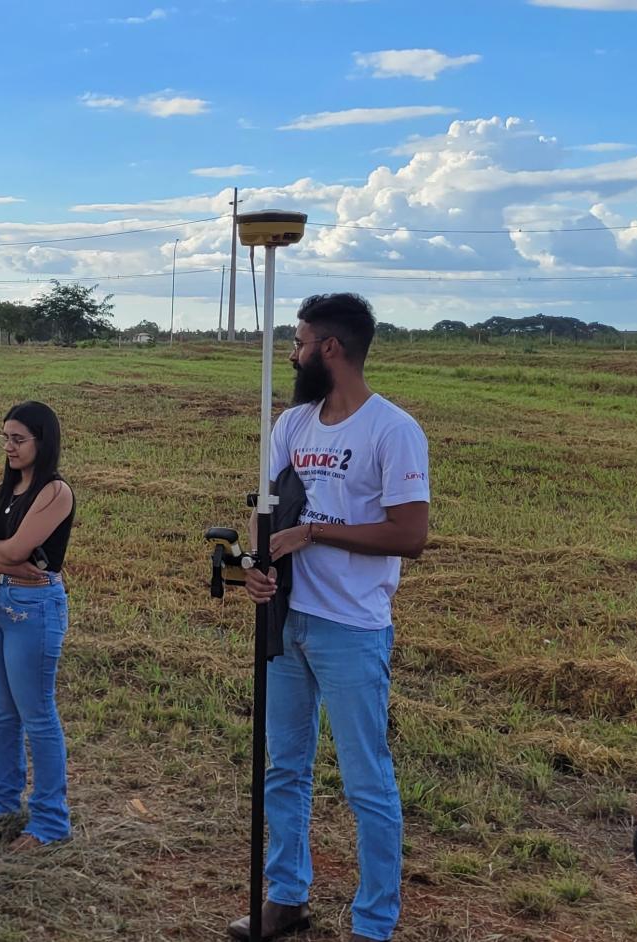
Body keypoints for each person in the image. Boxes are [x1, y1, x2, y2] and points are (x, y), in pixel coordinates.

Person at [231, 293, 430, 942]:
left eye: (299, 343)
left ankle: (374, 924)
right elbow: (268, 518)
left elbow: (410, 534)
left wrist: (316, 532)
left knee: (366, 780)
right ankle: (285, 897)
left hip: (352, 630)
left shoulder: (392, 430)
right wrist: (254, 568)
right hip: (288, 621)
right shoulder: (292, 425)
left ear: (331, 349)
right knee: (284, 766)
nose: (293, 354)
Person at [0, 401, 76, 851]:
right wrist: (0, 554)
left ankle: (50, 822)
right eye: (5, 437)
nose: (8, 447)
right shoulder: (2, 491)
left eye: (18, 439)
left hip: (33, 607)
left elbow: (11, 551)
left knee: (37, 715)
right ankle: (3, 806)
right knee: (2, 713)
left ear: (41, 442)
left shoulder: (55, 492)